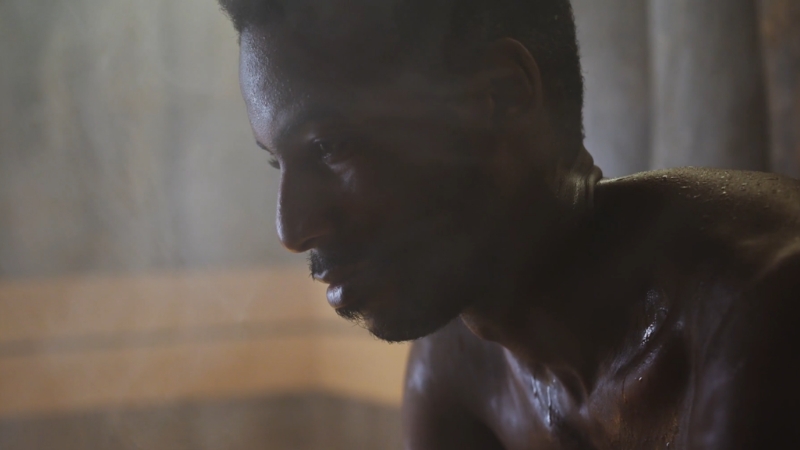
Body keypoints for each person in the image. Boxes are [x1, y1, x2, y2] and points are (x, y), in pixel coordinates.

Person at [218, 0, 800, 448]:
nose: (292, 229)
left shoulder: (757, 305)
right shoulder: (457, 368)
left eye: (329, 145)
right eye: (278, 162)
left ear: (500, 97)